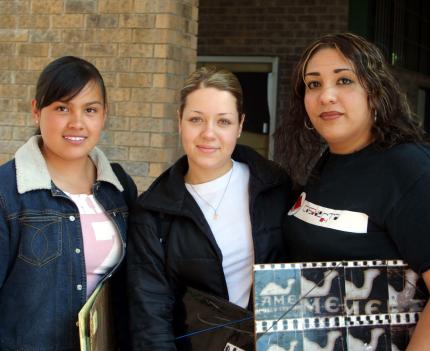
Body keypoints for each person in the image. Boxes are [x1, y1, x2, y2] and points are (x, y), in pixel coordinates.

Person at [276, 32, 430, 350]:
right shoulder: (327, 160)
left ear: (374, 90)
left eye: (344, 81)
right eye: (313, 84)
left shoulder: (409, 168)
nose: (326, 96)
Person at [127, 66, 293, 350]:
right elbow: (151, 319)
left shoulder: (274, 187)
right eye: (196, 119)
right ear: (179, 121)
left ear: (240, 125)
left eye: (223, 122)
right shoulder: (152, 213)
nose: (209, 133)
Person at [0, 56, 137, 350]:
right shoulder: (7, 192)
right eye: (62, 108)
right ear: (36, 110)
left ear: (104, 115)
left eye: (90, 110)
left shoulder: (119, 188)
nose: (77, 123)